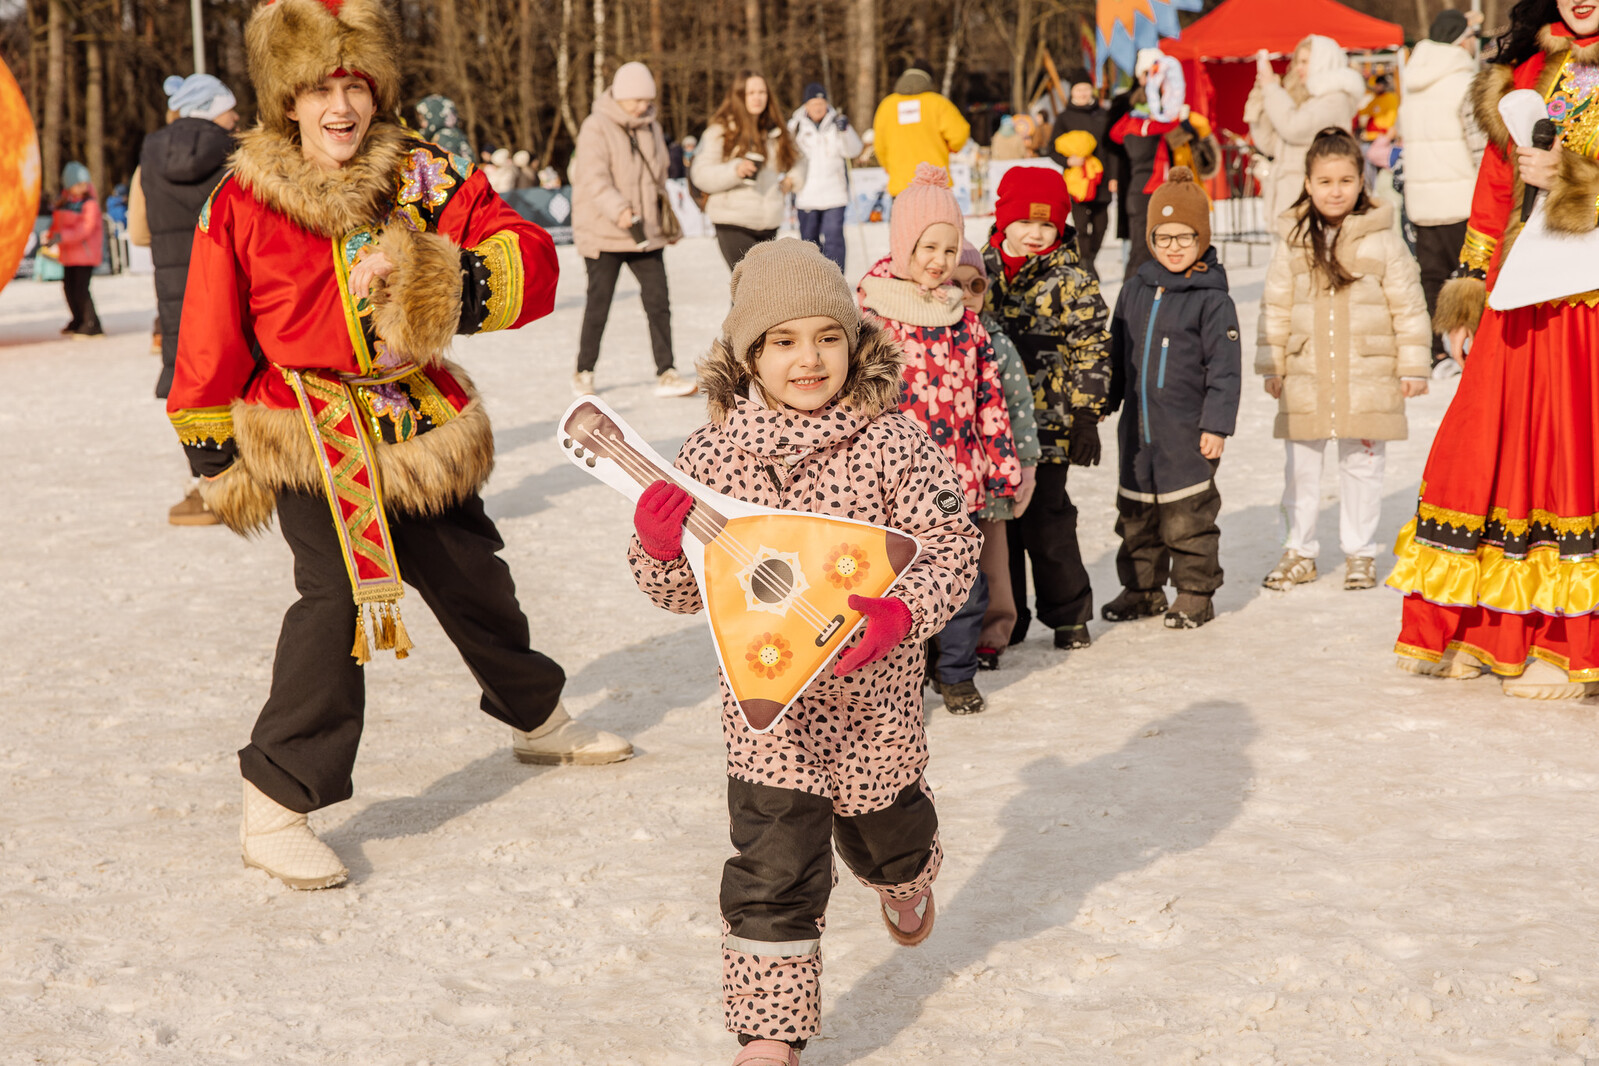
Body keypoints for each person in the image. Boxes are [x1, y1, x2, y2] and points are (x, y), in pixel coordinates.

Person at [166, 0, 633, 891]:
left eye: (355, 86)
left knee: (470, 573)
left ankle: (537, 717)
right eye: (318, 90)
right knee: (336, 597)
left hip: (414, 419)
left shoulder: (419, 170)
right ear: (287, 101)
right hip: (304, 426)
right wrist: (212, 451)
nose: (340, 107)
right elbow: (208, 327)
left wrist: (431, 271)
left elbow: (527, 253)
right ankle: (276, 801)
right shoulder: (243, 196)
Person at [626, 238, 979, 1066]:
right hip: (769, 720)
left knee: (885, 839)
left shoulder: (894, 442)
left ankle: (905, 879)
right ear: (749, 355)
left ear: (854, 343)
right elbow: (682, 593)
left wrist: (899, 613)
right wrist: (660, 548)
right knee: (771, 872)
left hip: (873, 712)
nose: (808, 358)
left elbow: (950, 546)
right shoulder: (712, 455)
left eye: (826, 336)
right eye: (782, 340)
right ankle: (769, 1036)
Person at [1391, 0, 1599, 699]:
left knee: (1570, 454)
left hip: (1588, 303)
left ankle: (1568, 644)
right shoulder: (1528, 68)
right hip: (1519, 293)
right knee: (1493, 447)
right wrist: (1471, 287)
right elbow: (1493, 188)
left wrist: (1573, 180)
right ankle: (1487, 628)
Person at [856, 164, 1021, 714]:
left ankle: (956, 674)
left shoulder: (964, 320)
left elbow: (990, 397)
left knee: (963, 584)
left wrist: (1003, 465)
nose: (940, 260)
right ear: (904, 244)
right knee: (896, 584)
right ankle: (906, 676)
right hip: (890, 486)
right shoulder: (872, 316)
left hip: (958, 480)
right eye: (928, 247)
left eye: (950, 249)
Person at [1257, 128, 1430, 595]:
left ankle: (1360, 551)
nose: (1335, 191)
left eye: (1346, 181)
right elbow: (1275, 304)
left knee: (1363, 465)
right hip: (1306, 374)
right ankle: (1299, 550)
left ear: (1361, 181)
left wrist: (1413, 365)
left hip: (1369, 374)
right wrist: (1272, 363)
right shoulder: (1293, 239)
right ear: (1308, 184)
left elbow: (1408, 305)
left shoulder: (1383, 239)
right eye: (1325, 181)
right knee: (1301, 468)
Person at [1105, 167, 1241, 629]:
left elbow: (1225, 369)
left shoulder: (1212, 300)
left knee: (1188, 516)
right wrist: (1105, 400)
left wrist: (1216, 425)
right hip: (1138, 431)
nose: (1174, 247)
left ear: (1202, 237)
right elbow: (1117, 351)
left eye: (1185, 236)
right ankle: (1142, 589)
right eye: (1163, 237)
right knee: (1135, 514)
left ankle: (1195, 593)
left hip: (1187, 431)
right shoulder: (1135, 288)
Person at [982, 166, 1112, 650]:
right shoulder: (980, 272)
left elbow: (1093, 347)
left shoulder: (1073, 279)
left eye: (1047, 225)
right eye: (1025, 223)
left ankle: (1069, 615)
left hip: (1050, 428)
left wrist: (1086, 416)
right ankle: (1008, 617)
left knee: (1048, 523)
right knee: (1002, 530)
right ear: (1003, 221)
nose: (1035, 234)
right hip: (992, 430)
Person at [128, 73, 240, 525]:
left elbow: (138, 233)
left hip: (178, 292)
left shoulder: (150, 157)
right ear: (214, 111)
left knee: (194, 381)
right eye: (229, 110)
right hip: (230, 281)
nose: (236, 117)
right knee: (243, 374)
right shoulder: (238, 151)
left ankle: (210, 485)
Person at [570, 61, 694, 398]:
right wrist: (619, 210)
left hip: (645, 233)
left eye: (647, 100)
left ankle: (667, 371)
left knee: (658, 301)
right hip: (604, 231)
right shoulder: (596, 126)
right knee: (599, 304)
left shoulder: (651, 127)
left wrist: (668, 224)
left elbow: (659, 178)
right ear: (621, 96)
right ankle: (584, 370)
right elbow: (593, 178)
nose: (643, 106)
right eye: (637, 100)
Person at [951, 241, 1039, 670]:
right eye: (957, 284)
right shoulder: (930, 339)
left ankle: (993, 631)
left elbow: (1019, 408)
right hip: (946, 476)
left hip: (990, 474)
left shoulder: (997, 342)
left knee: (992, 563)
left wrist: (1026, 464)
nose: (968, 294)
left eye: (977, 285)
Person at [1396, 9, 1485, 373]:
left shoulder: (1413, 85)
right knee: (1473, 276)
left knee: (1431, 279)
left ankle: (1437, 350)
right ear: (1461, 42)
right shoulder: (1465, 82)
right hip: (1463, 199)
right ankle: (1477, 347)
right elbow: (1478, 145)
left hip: (1423, 203)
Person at [691, 70, 807, 271]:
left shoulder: (776, 131)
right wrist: (735, 170)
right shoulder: (720, 131)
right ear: (738, 96)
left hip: (768, 222)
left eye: (762, 92)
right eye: (751, 93)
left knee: (763, 287)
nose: (757, 98)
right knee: (750, 283)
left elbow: (801, 160)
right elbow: (700, 174)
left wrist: (791, 181)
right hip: (733, 220)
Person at [1245, 36, 1365, 224]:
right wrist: (1262, 98)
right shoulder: (1311, 101)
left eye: (1304, 62)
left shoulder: (1335, 100)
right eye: (1297, 62)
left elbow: (1294, 128)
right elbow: (1270, 144)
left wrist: (1272, 89)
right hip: (1290, 200)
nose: (1298, 68)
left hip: (1308, 205)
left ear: (1321, 61)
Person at [787, 82, 862, 272]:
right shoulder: (795, 127)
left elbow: (854, 150)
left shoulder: (837, 123)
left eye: (821, 103)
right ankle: (812, 277)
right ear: (806, 105)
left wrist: (846, 130)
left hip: (834, 194)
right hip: (806, 195)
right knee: (809, 242)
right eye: (814, 103)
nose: (818, 107)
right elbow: (786, 156)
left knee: (834, 240)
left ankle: (836, 278)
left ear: (826, 103)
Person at [1049, 68, 1112, 272]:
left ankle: (1090, 258)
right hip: (1076, 182)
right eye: (1079, 90)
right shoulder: (1064, 118)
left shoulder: (1103, 115)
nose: (1083, 93)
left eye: (1086, 89)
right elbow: (1052, 149)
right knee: (1081, 225)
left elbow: (1111, 149)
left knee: (1102, 224)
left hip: (1101, 179)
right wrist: (1068, 161)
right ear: (1072, 92)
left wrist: (1114, 177)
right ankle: (1086, 263)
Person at [871, 67, 971, 196]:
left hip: (901, 186)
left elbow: (879, 145)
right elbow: (959, 134)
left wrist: (888, 167)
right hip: (935, 184)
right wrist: (952, 147)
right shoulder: (937, 102)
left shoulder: (887, 105)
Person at [43, 162, 104, 340]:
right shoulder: (64, 204)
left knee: (81, 289)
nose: (82, 187)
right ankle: (78, 319)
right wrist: (51, 236)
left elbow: (85, 229)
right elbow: (57, 225)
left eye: (85, 183)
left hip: (85, 254)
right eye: (78, 184)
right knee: (69, 288)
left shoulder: (89, 204)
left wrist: (62, 236)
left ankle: (92, 324)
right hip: (69, 255)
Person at [414, 94, 473, 170]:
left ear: (434, 117)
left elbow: (447, 168)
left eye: (424, 119)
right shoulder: (454, 134)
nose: (422, 125)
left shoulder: (444, 137)